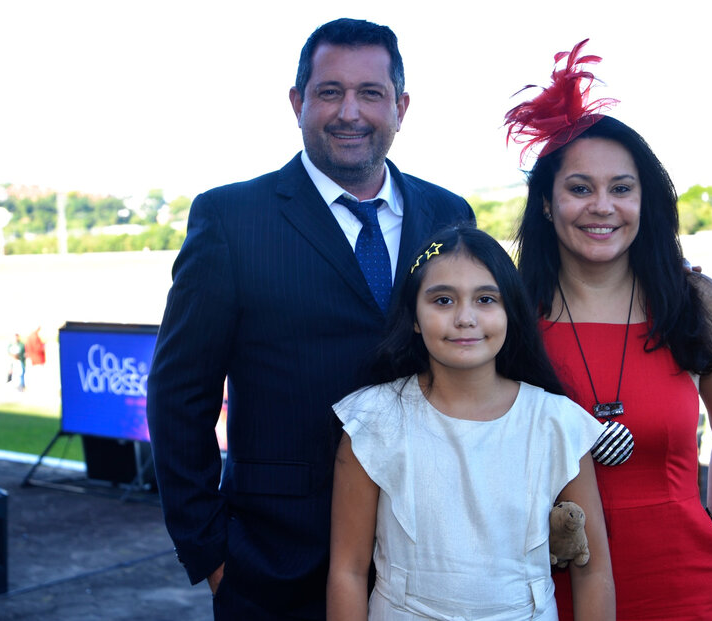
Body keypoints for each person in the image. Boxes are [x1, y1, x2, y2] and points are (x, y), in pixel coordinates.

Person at [146, 18, 475, 620]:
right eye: (330, 92)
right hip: (276, 565)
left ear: (401, 107)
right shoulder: (231, 219)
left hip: (435, 556)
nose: (350, 112)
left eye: (370, 94)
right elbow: (179, 394)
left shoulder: (449, 214)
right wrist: (215, 555)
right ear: (297, 102)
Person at [505, 40, 712, 620]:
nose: (602, 206)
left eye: (621, 188)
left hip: (681, 583)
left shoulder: (697, 303)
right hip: (544, 586)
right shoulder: (509, 313)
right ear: (546, 202)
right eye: (579, 188)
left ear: (645, 200)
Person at [327, 225, 614, 620]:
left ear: (509, 310)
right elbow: (348, 570)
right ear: (413, 317)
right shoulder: (374, 421)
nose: (465, 318)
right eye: (443, 300)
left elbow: (593, 569)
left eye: (485, 299)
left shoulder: (555, 423)